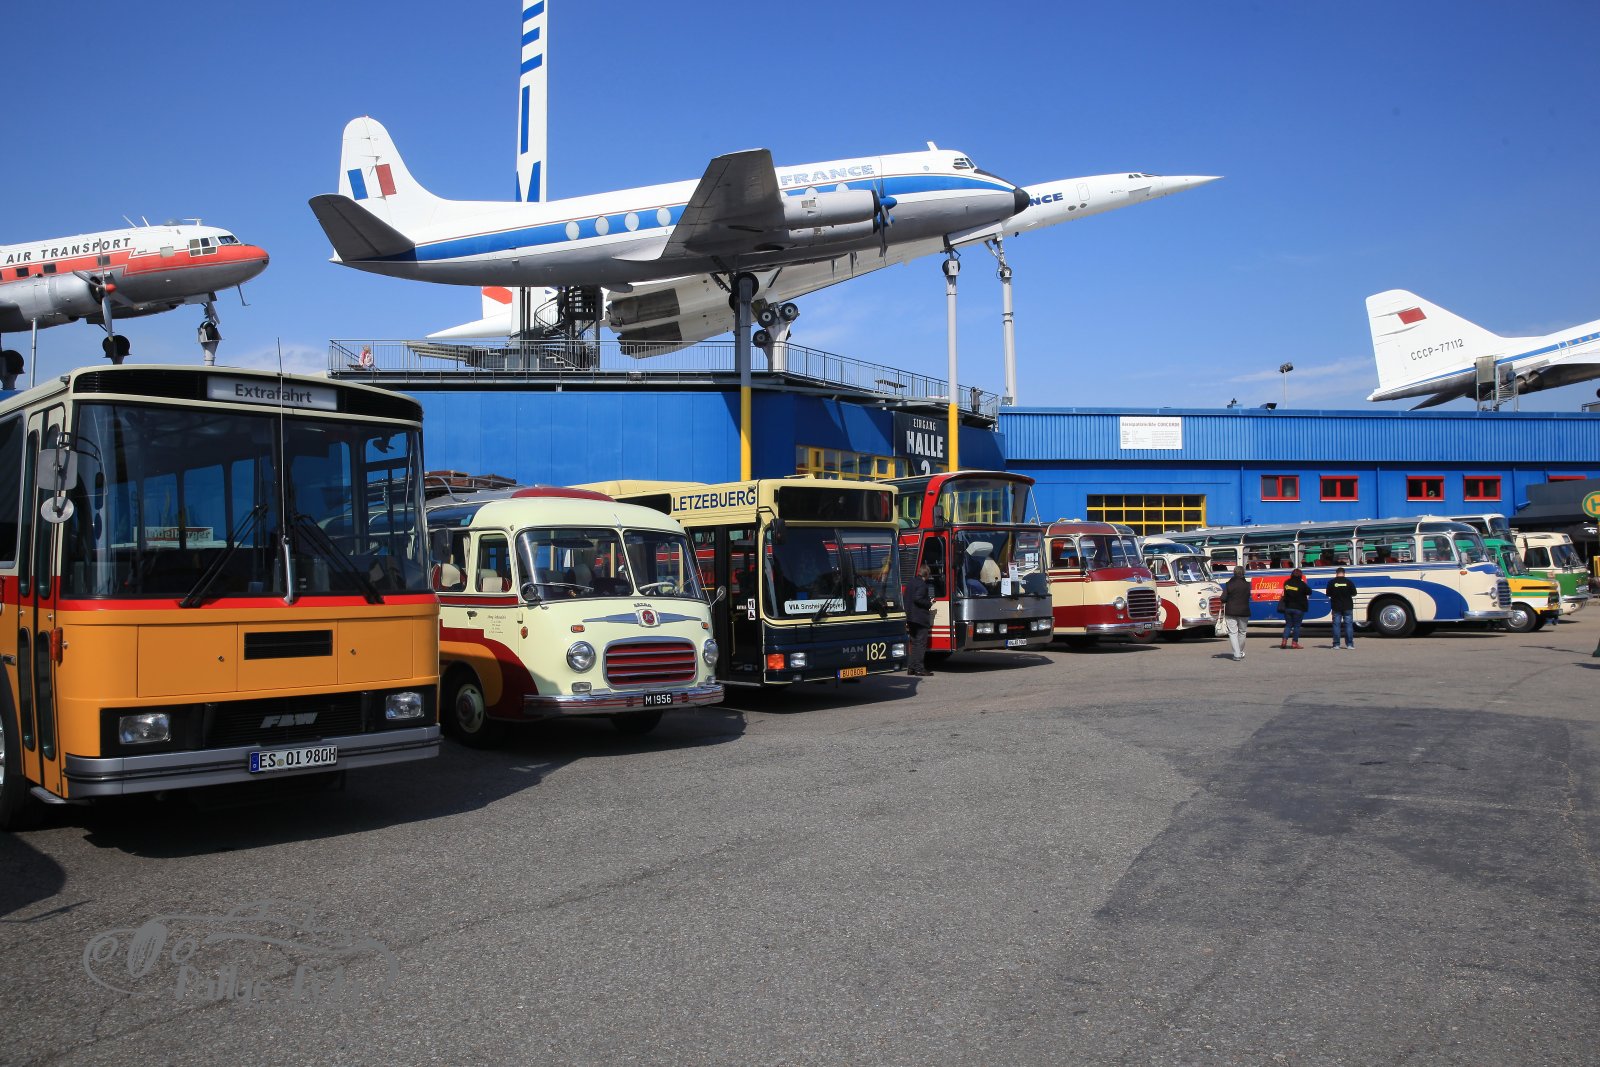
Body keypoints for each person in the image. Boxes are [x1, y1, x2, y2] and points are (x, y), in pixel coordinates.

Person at [904, 562, 936, 677]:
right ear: (926, 574)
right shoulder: (922, 585)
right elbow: (918, 599)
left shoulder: (911, 582)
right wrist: (929, 603)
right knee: (920, 644)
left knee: (914, 643)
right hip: (920, 618)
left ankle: (911, 668)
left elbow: (907, 598)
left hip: (910, 617)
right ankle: (919, 669)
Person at [1222, 564, 1252, 661]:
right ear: (1243, 573)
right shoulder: (1248, 585)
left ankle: (1237, 654)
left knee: (1233, 633)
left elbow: (1223, 598)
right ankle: (1240, 651)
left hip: (1231, 611)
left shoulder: (1229, 584)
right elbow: (1248, 596)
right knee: (1242, 632)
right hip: (1244, 611)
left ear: (1234, 573)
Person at [1327, 566, 1358, 649]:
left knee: (1336, 625)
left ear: (1336, 573)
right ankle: (1349, 644)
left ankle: (1336, 644)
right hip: (1348, 606)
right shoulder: (1349, 582)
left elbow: (1328, 594)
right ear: (1344, 573)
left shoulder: (1331, 582)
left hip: (1336, 606)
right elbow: (1354, 593)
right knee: (1348, 625)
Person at [1279, 568, 1311, 649]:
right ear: (1300, 575)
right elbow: (1309, 591)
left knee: (1288, 625)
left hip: (1288, 607)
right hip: (1298, 608)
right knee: (1297, 626)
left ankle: (1284, 641)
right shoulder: (1302, 584)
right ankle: (1294, 643)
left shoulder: (1287, 583)